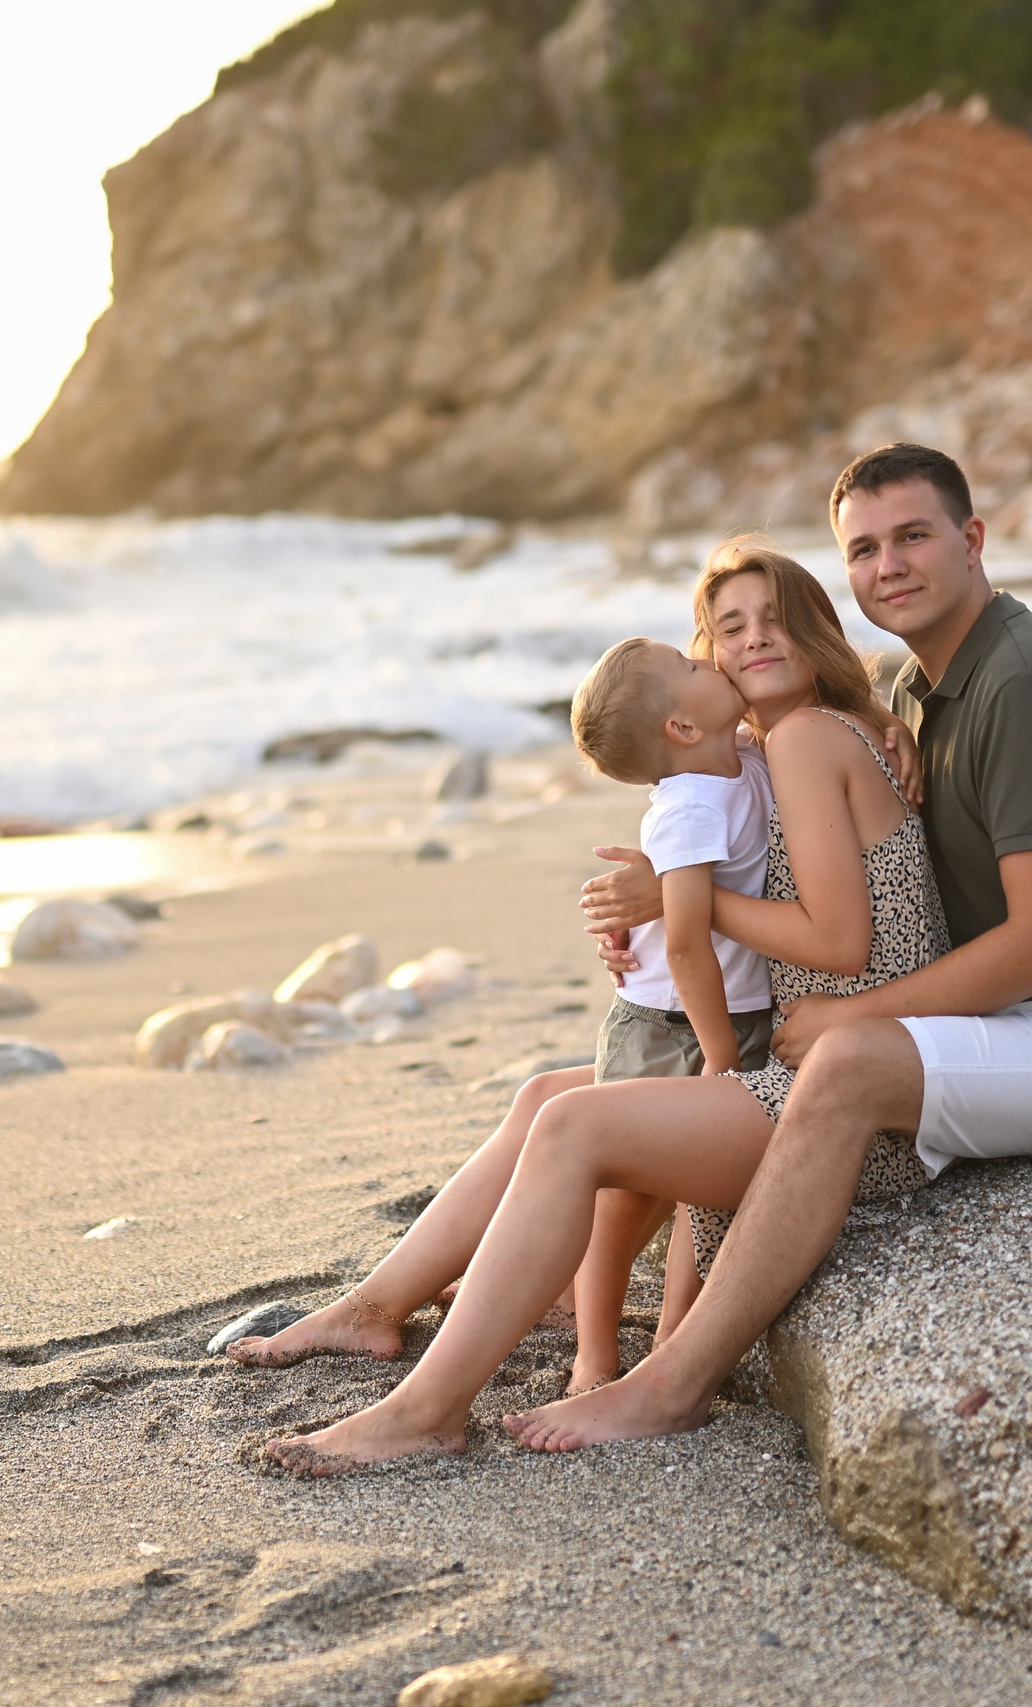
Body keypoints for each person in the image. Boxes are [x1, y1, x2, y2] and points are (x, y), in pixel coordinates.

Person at [504, 441, 1032, 1452]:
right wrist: (654, 904)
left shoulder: (1025, 683)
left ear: (972, 539)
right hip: (1007, 1022)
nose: (888, 566)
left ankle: (670, 1384)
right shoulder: (917, 690)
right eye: (862, 549)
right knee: (563, 1095)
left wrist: (847, 1014)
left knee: (842, 1062)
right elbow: (729, 760)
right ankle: (396, 1304)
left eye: (912, 536)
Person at [228, 538, 949, 1475]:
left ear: (814, 625)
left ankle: (429, 1409)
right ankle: (376, 1304)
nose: (753, 641)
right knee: (542, 1096)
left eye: (776, 619)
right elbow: (732, 870)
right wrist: (655, 907)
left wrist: (672, 904)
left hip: (837, 1096)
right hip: (803, 1055)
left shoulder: (810, 739)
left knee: (571, 1123)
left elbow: (837, 940)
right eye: (729, 629)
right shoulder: (776, 748)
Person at [557, 634, 780, 1392]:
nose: (708, 658)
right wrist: (721, 1056)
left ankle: (670, 1342)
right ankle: (594, 1353)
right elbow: (685, 943)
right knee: (621, 1203)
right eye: (691, 669)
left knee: (704, 1195)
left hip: (737, 1011)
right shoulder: (687, 807)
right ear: (682, 729)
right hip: (667, 1025)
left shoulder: (746, 755)